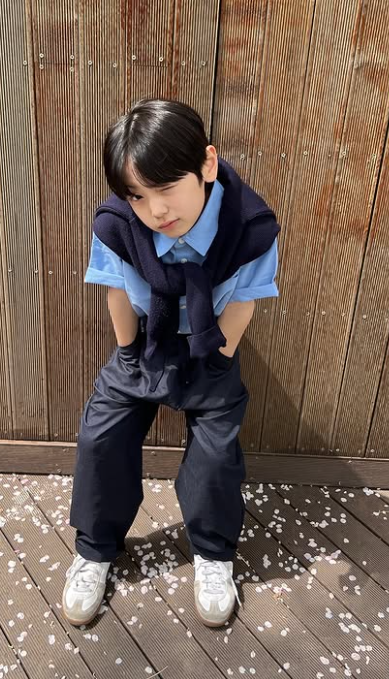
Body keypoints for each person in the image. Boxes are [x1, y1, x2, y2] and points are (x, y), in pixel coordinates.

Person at [62, 98, 280, 628]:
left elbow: (244, 301)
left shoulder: (250, 228)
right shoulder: (117, 225)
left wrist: (218, 358)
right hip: (143, 343)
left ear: (207, 164)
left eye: (166, 187)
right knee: (101, 435)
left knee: (216, 451)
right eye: (138, 195)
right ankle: (94, 550)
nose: (155, 210)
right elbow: (117, 292)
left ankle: (213, 554)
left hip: (211, 343)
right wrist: (129, 355)